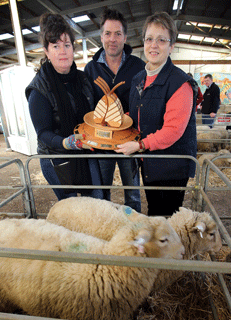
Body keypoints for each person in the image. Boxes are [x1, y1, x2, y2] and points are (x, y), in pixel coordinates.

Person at [115, 12, 198, 216]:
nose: (154, 45)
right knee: (155, 211)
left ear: (171, 46)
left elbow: (173, 130)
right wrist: (114, 123)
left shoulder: (180, 83)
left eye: (162, 40)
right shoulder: (138, 79)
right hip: (150, 162)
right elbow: (135, 114)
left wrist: (140, 145)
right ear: (143, 42)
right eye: (149, 39)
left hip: (172, 165)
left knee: (165, 216)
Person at [26, 13, 103, 200]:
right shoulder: (39, 89)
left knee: (97, 200)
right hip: (57, 157)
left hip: (85, 153)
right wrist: (66, 142)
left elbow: (94, 114)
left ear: (72, 48)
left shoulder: (83, 79)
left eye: (67, 45)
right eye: (56, 46)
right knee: (71, 208)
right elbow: (43, 133)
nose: (63, 51)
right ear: (46, 51)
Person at [84, 8, 146, 212]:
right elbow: (88, 106)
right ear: (101, 36)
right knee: (102, 194)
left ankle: (134, 235)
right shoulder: (91, 68)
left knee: (133, 194)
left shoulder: (139, 66)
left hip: (129, 140)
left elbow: (145, 102)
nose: (113, 39)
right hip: (102, 142)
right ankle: (107, 231)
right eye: (108, 33)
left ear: (125, 37)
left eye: (118, 34)